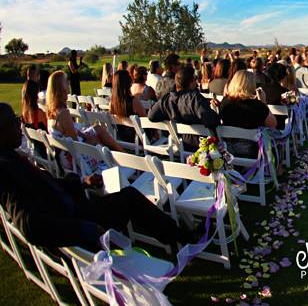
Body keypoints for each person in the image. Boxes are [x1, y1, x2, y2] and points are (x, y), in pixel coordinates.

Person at [0, 103, 192, 252]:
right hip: (76, 221)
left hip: (76, 208)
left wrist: (83, 182)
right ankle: (180, 237)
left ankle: (177, 236)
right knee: (130, 199)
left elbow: (50, 186)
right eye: (14, 122)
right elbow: (30, 225)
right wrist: (87, 229)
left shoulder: (12, 157)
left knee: (129, 196)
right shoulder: (7, 170)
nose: (20, 126)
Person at [46, 71, 122, 151]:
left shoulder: (51, 110)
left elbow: (70, 133)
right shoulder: (63, 113)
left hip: (66, 151)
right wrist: (93, 142)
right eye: (66, 81)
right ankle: (120, 156)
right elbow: (76, 143)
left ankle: (118, 154)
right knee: (99, 135)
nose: (68, 83)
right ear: (60, 87)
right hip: (76, 157)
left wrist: (84, 135)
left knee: (97, 128)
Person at [148, 66, 219, 151]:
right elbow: (212, 121)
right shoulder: (195, 99)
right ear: (192, 82)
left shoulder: (168, 100)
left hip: (182, 144)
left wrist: (169, 116)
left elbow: (151, 116)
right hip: (202, 146)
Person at [219, 70, 277, 158]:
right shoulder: (257, 105)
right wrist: (263, 102)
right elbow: (273, 124)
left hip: (227, 149)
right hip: (251, 150)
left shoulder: (225, 102)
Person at [109, 70, 147, 143]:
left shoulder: (112, 102)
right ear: (128, 83)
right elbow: (145, 120)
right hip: (136, 139)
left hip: (121, 137)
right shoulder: (134, 101)